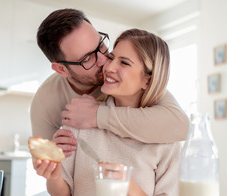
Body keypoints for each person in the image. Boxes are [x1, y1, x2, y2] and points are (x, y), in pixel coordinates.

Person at [34, 28, 180, 196]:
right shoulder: (79, 119)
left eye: (124, 63)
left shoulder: (165, 136)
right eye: (111, 58)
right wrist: (53, 176)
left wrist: (128, 186)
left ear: (148, 81)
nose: (108, 67)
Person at [30, 9, 189, 158]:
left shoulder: (123, 80)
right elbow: (45, 161)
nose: (105, 61)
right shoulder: (46, 101)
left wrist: (97, 115)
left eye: (101, 45)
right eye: (87, 59)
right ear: (61, 69)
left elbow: (180, 125)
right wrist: (52, 158)